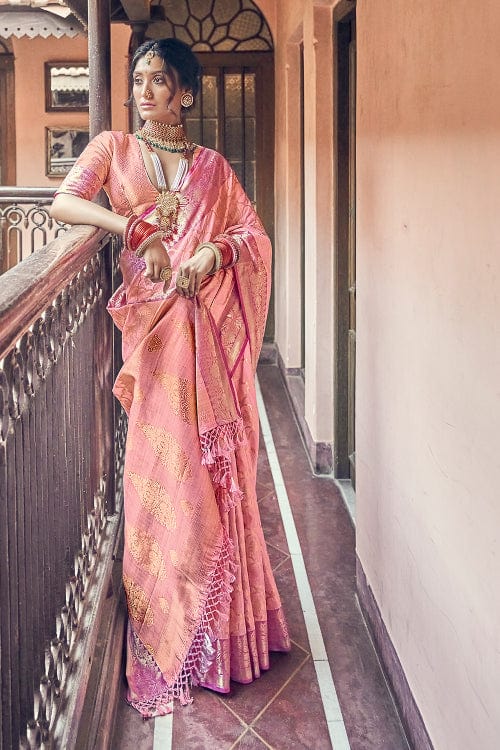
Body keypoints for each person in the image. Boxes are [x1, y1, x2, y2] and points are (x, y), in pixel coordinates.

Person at [50, 37, 290, 717]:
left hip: (202, 342)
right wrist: (131, 231)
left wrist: (211, 253)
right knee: (162, 479)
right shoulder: (114, 150)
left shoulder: (212, 167)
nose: (146, 90)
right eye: (139, 79)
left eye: (160, 80)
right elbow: (64, 205)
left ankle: (219, 640)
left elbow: (253, 237)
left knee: (214, 481)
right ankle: (169, 632)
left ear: (186, 92)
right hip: (151, 343)